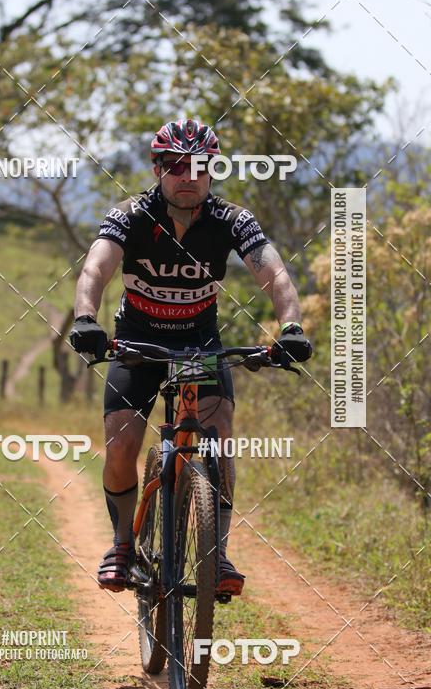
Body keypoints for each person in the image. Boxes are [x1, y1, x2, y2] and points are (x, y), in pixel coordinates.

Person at [70, 118, 312, 594]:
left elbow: (276, 276)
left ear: (212, 171)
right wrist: (85, 319)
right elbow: (95, 270)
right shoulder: (131, 215)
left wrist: (291, 327)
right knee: (121, 444)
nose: (188, 176)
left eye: (199, 167)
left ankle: (215, 553)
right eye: (176, 166)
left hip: (199, 346)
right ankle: (122, 544)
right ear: (157, 169)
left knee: (218, 439)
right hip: (138, 343)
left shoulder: (232, 220)